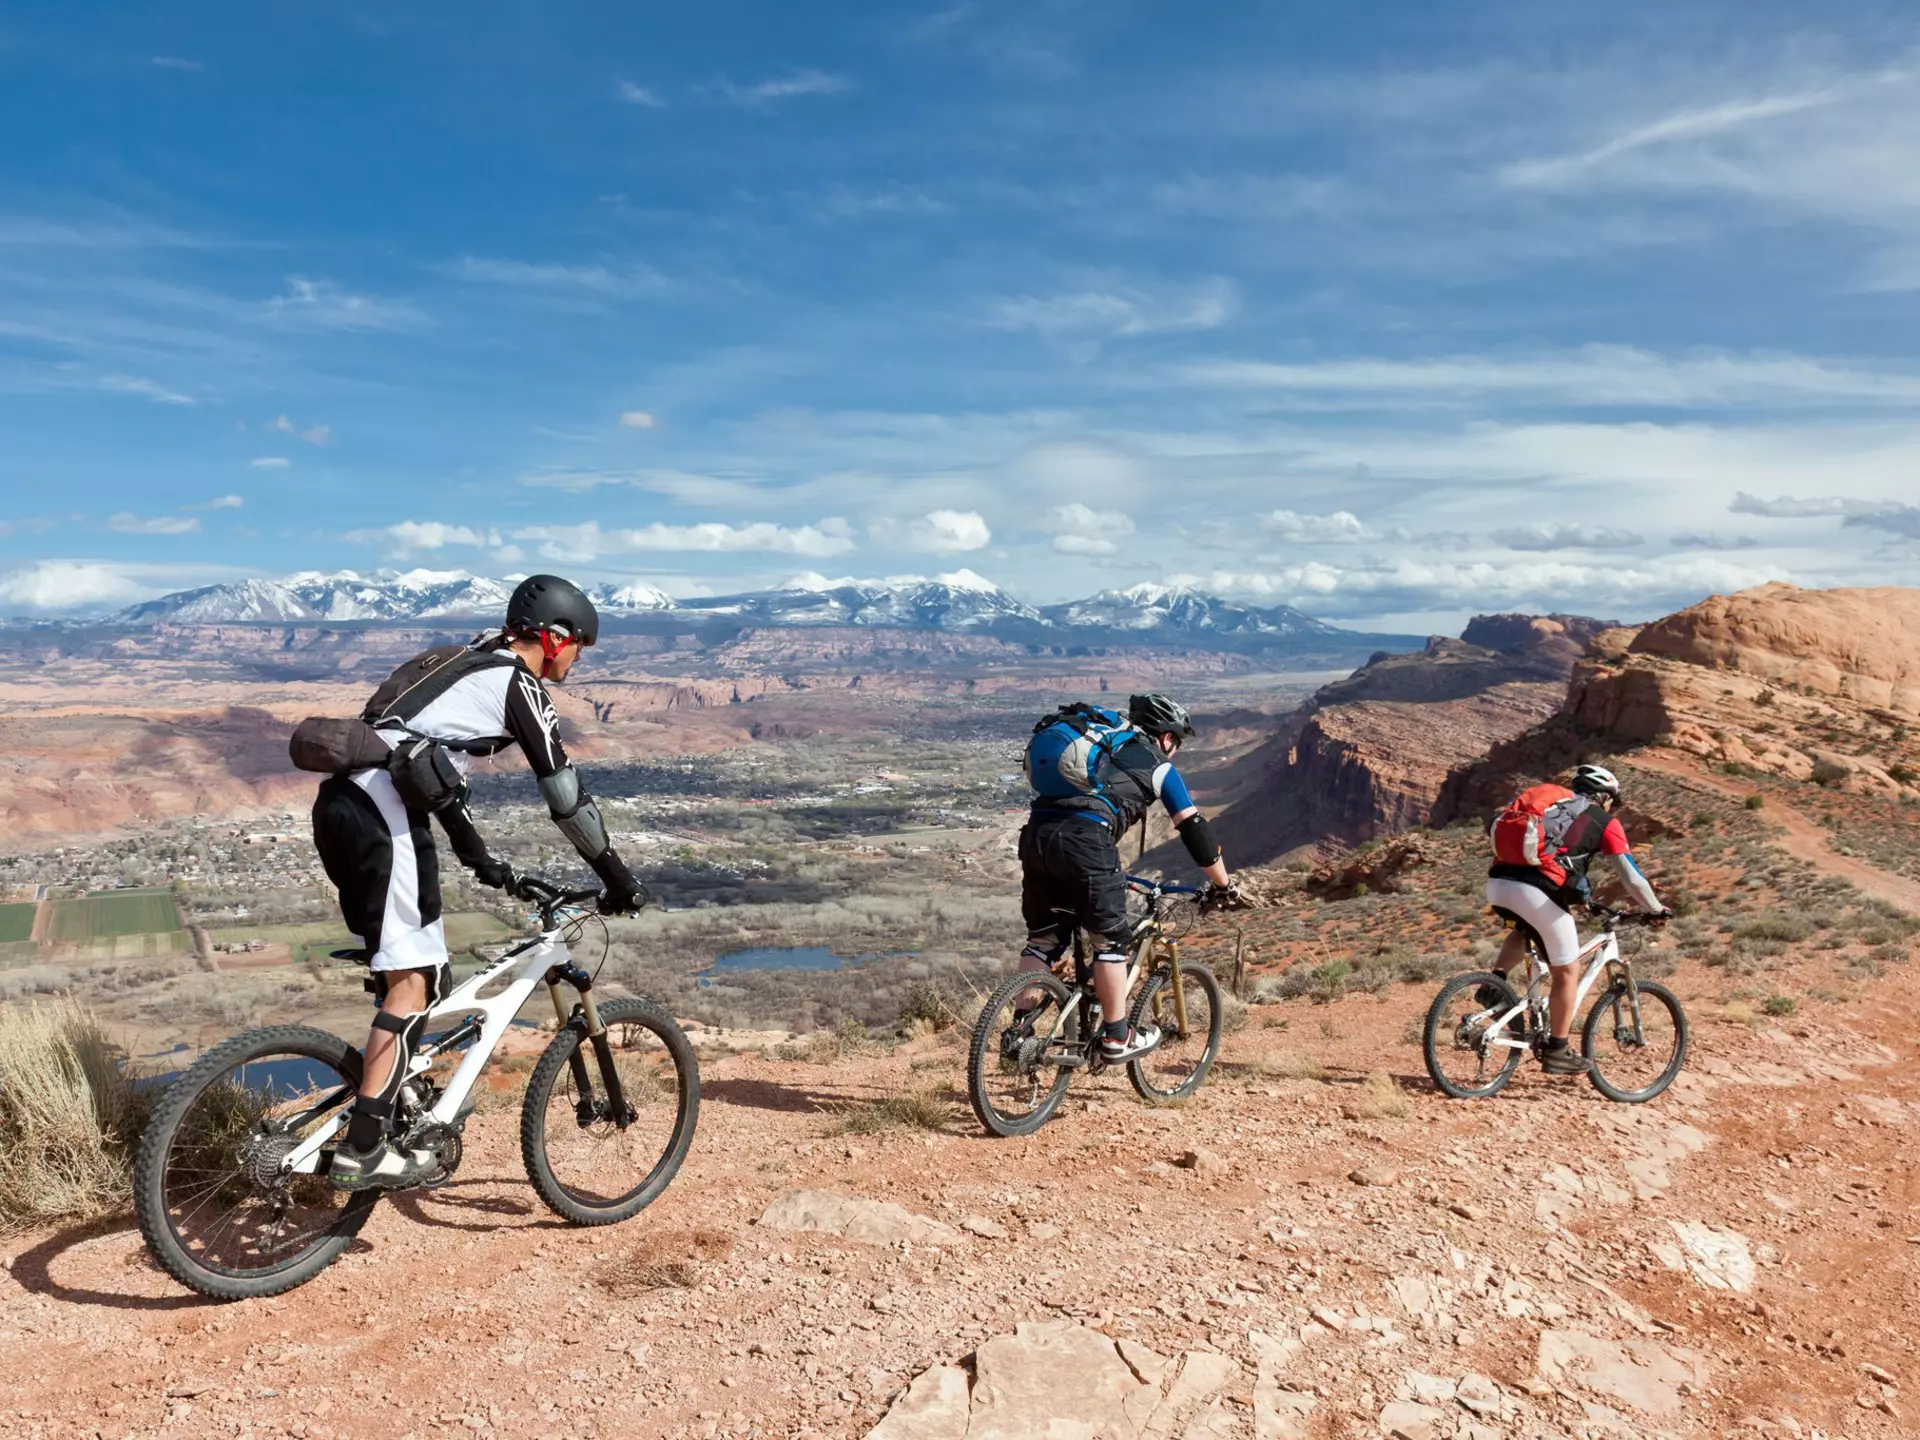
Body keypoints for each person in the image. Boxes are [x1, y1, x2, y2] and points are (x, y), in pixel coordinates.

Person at [313, 574, 648, 1189]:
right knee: (411, 984)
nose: (577, 659)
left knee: (421, 975)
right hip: (383, 815)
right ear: (552, 638)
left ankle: (397, 1114)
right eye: (579, 646)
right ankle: (364, 1151)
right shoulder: (517, 683)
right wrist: (618, 877)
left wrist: (484, 863)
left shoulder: (458, 662)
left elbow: (424, 766)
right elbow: (567, 799)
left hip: (338, 804)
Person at [1016, 692, 1248, 1063]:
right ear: (1167, 738)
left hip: (1036, 837)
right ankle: (1117, 1037)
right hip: (1087, 844)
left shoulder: (1103, 743)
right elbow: (1196, 833)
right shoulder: (1159, 766)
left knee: (1042, 942)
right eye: (1177, 742)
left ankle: (1019, 1033)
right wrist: (1224, 885)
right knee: (1110, 944)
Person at [1483, 763, 1670, 1075]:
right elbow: (1632, 878)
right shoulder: (1603, 820)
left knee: (1526, 929)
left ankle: (1494, 983)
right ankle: (1557, 1049)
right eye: (1613, 802)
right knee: (1568, 970)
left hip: (1498, 883)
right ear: (1606, 797)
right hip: (1536, 891)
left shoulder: (1552, 803)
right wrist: (1655, 908)